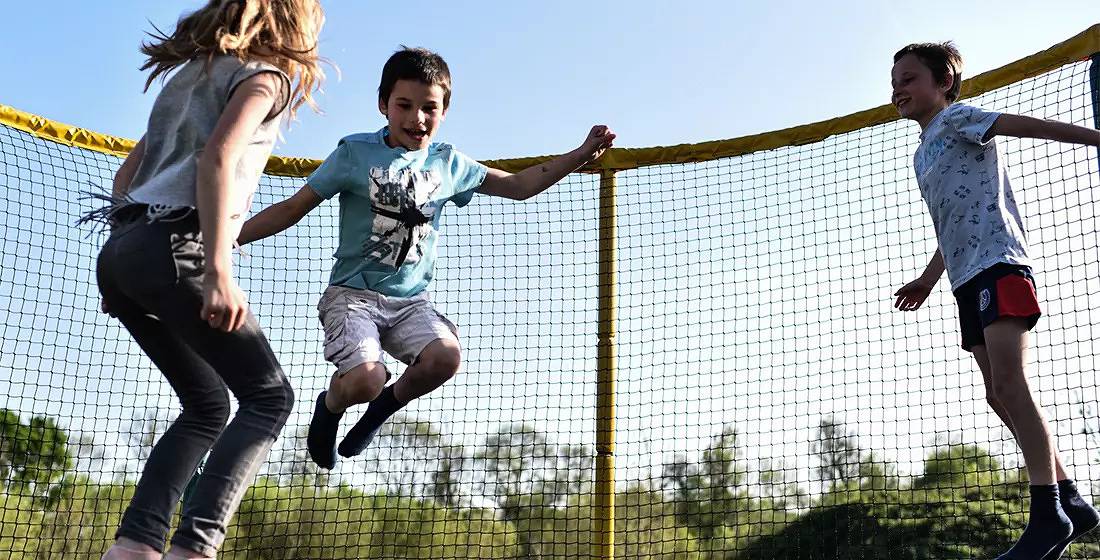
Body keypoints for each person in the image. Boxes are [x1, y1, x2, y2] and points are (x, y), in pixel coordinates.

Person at [238, 46, 615, 471]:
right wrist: (227, 238)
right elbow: (291, 207)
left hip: (410, 304)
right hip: (353, 298)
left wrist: (581, 153)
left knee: (445, 357)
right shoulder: (354, 154)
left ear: (444, 111)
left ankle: (382, 408)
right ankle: (332, 404)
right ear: (384, 105)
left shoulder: (447, 163)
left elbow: (520, 185)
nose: (417, 118)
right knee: (365, 378)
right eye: (405, 106)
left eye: (429, 108)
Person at [84, 1, 325, 558]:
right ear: (295, 22)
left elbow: (128, 172)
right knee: (269, 396)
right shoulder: (269, 77)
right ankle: (195, 547)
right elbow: (217, 157)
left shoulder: (192, 72)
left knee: (207, 404)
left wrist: (121, 262)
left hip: (125, 247)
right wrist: (219, 268)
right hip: (177, 246)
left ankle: (135, 546)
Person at [890, 41, 1100, 559]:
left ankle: (1047, 512)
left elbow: (1029, 125)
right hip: (965, 277)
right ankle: (1071, 500)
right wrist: (928, 277)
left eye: (910, 78)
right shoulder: (921, 155)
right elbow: (951, 221)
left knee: (1011, 382)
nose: (898, 88)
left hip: (999, 263)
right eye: (894, 80)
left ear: (943, 84)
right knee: (995, 393)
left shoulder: (959, 117)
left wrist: (1096, 138)